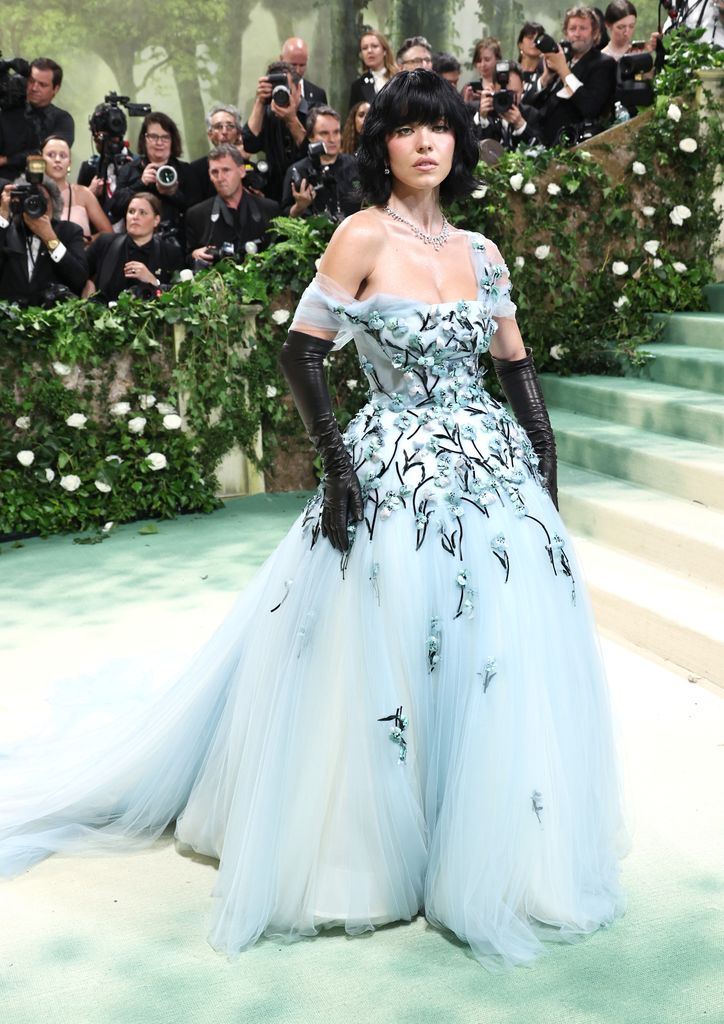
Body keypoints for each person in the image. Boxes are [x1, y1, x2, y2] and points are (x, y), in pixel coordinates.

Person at [0, 70, 626, 970]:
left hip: (491, 479)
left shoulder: (483, 251)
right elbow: (303, 353)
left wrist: (546, 467)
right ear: (385, 147)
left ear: (457, 144)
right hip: (390, 471)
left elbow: (516, 365)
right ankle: (373, 854)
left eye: (439, 129)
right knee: (382, 649)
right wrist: (336, 467)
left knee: (495, 655)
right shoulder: (360, 233)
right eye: (407, 129)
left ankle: (488, 845)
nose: (425, 144)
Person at [525, 6, 617, 146]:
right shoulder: (558, 59)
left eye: (583, 28)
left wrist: (563, 70)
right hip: (541, 142)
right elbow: (527, 105)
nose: (577, 34)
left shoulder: (603, 64)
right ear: (566, 33)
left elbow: (590, 107)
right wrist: (545, 78)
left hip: (575, 144)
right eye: (573, 29)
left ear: (595, 33)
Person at [185, 145, 279, 269]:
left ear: (241, 171)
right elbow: (187, 259)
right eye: (214, 172)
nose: (220, 178)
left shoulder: (269, 208)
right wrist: (194, 255)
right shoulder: (196, 215)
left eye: (226, 170)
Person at [0, 174, 87, 305]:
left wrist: (50, 239)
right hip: (8, 317)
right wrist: (2, 216)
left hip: (51, 318)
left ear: (54, 203)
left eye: (43, 201)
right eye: (29, 201)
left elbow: (79, 279)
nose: (36, 206)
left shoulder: (70, 232)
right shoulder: (6, 230)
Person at [83, 191, 184, 301]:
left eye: (142, 213)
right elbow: (78, 273)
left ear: (156, 220)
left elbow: (178, 295)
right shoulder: (105, 242)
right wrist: (87, 283)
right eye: (131, 211)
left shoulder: (171, 253)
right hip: (105, 314)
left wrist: (154, 282)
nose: (135, 217)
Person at [109, 113, 191, 245]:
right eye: (153, 137)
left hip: (175, 244)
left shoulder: (184, 170)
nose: (159, 142)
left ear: (172, 141)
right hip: (136, 244)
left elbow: (194, 209)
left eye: (165, 137)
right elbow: (115, 209)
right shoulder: (129, 170)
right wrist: (141, 183)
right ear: (144, 139)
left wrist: (172, 193)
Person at [280, 107, 362, 221]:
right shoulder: (297, 171)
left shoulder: (356, 166)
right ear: (311, 137)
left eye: (336, 132)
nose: (332, 139)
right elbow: (284, 220)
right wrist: (299, 207)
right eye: (324, 133)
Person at [242, 62, 307, 204]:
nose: (281, 94)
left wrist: (292, 120)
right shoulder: (266, 114)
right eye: (276, 90)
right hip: (275, 193)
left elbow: (314, 152)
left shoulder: (315, 112)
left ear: (299, 88)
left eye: (286, 89)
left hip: (308, 190)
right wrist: (259, 101)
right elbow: (249, 144)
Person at [0, 58, 74, 182]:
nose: (34, 88)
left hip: (45, 188)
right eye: (31, 81)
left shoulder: (62, 120)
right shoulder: (6, 115)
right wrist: (5, 64)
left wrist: (7, 160)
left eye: (42, 85)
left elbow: (48, 153)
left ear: (55, 89)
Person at [41, 135, 113, 241]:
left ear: (69, 163)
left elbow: (108, 233)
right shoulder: (32, 194)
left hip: (80, 255)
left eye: (63, 155)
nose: (57, 160)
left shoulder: (84, 194)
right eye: (51, 155)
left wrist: (86, 241)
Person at [186, 104, 248, 208]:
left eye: (230, 126)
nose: (224, 132)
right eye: (218, 127)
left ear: (238, 134)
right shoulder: (196, 169)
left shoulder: (248, 167)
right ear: (210, 134)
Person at [472, 61, 544, 151]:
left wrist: (521, 126)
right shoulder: (479, 111)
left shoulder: (532, 115)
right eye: (502, 93)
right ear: (493, 88)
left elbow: (541, 153)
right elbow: (471, 149)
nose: (507, 98)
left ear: (522, 87)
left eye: (512, 93)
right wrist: (482, 119)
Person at [348, 29, 397, 108]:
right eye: (364, 48)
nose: (369, 51)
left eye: (374, 46)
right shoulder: (358, 86)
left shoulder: (400, 79)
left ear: (384, 50)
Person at [280, 37, 328, 109]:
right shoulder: (269, 91)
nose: (297, 70)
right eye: (293, 65)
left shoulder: (318, 94)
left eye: (302, 65)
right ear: (281, 60)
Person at [461, 37, 503, 105]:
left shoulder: (505, 87)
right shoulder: (469, 88)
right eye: (479, 61)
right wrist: (466, 103)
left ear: (497, 59)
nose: (483, 65)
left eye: (487, 60)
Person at [517, 21, 546, 95]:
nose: (534, 42)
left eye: (538, 39)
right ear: (520, 45)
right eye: (530, 38)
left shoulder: (546, 73)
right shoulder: (513, 72)